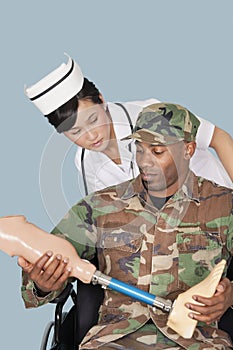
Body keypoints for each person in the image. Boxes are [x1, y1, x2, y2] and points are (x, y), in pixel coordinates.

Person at [20, 102, 233, 349]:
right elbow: (45, 265)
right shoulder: (99, 206)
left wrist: (230, 296)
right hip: (113, 339)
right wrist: (42, 284)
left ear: (188, 149)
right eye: (139, 149)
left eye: (157, 151)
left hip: (197, 341)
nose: (145, 162)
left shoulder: (224, 205)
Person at [25, 54, 233, 195]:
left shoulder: (152, 114)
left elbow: (218, 138)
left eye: (93, 120)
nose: (91, 136)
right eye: (76, 131)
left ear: (101, 99)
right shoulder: (85, 162)